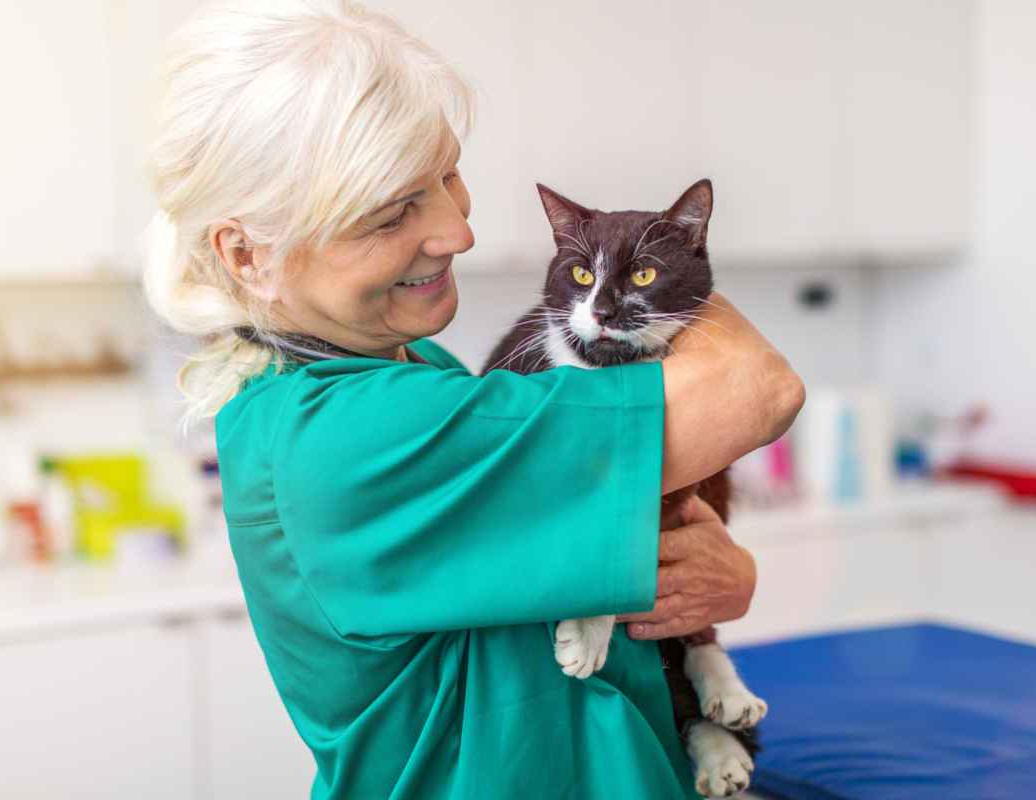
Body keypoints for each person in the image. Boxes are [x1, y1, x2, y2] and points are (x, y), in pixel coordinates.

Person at [141, 1, 804, 797]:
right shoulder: (361, 430)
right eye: (392, 212)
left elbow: (553, 567)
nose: (458, 231)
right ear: (247, 254)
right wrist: (671, 254)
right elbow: (758, 387)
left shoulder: (401, 363)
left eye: (448, 175)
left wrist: (709, 582)